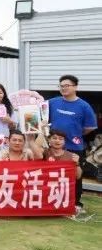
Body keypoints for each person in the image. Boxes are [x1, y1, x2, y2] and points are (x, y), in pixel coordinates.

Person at [48, 74, 96, 212]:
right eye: (61, 86)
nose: (63, 88)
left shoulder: (84, 106)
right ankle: (53, 201)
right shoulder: (52, 102)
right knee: (53, 175)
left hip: (74, 146)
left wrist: (75, 134)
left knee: (75, 174)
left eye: (67, 85)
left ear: (75, 87)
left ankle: (76, 203)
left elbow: (90, 127)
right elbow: (38, 112)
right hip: (54, 146)